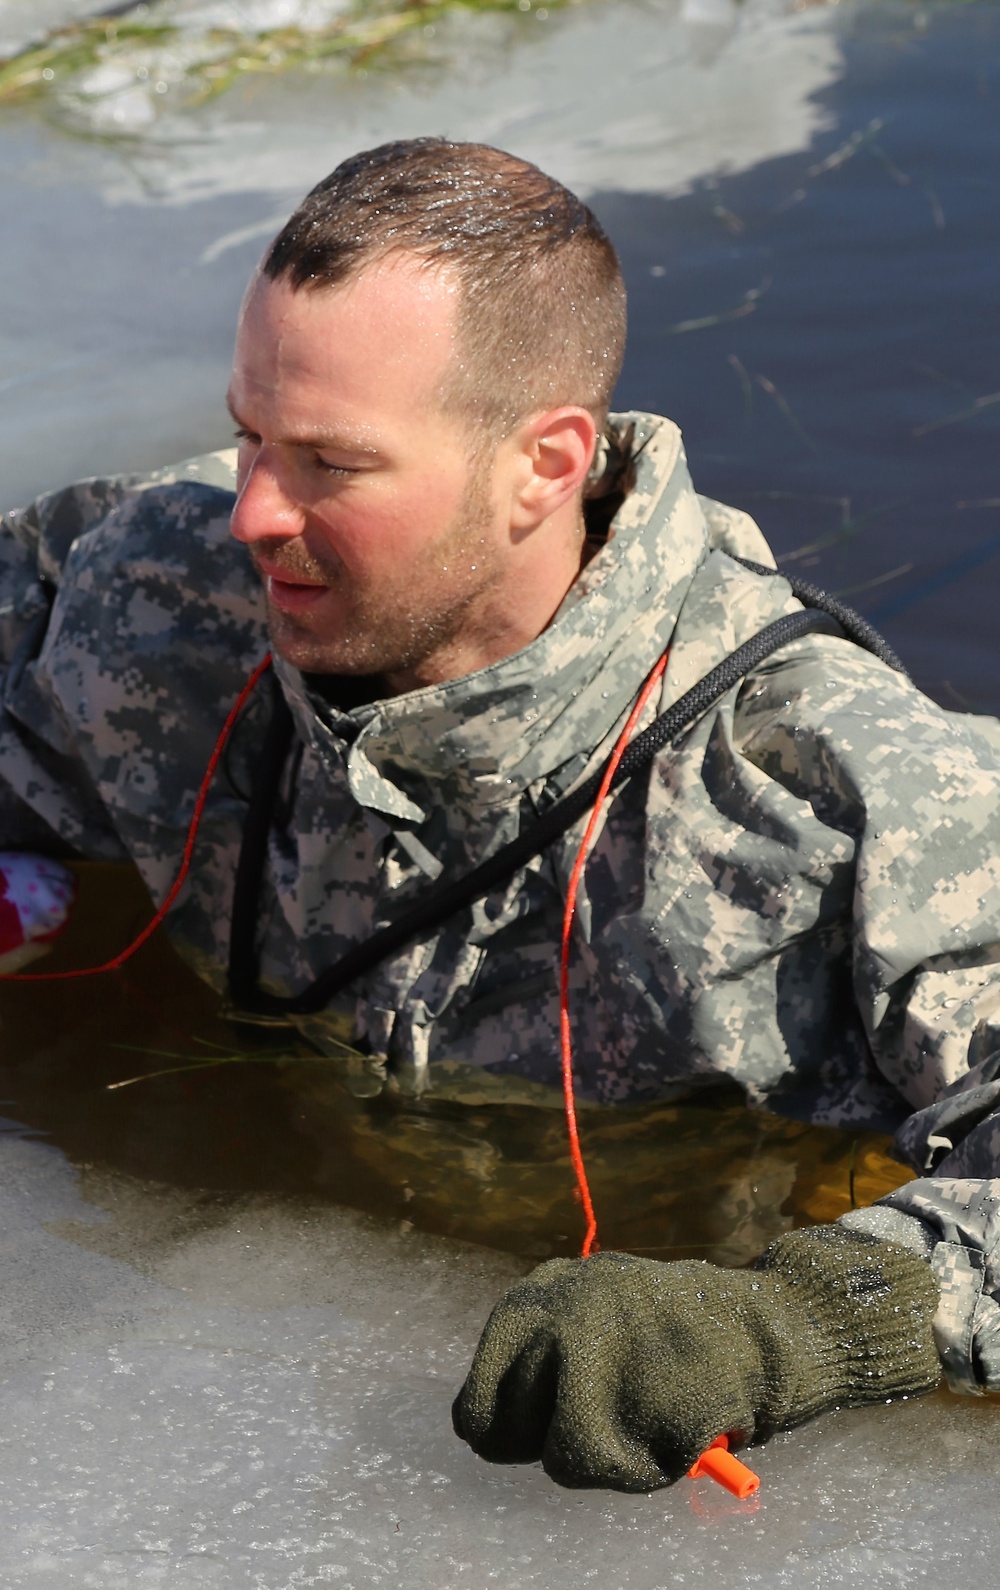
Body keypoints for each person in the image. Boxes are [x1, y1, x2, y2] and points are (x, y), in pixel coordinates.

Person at [1, 138, 999, 1493]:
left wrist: (797, 1320)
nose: (249, 513)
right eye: (249, 435)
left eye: (329, 465)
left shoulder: (815, 788)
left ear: (545, 464)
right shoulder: (151, 586)